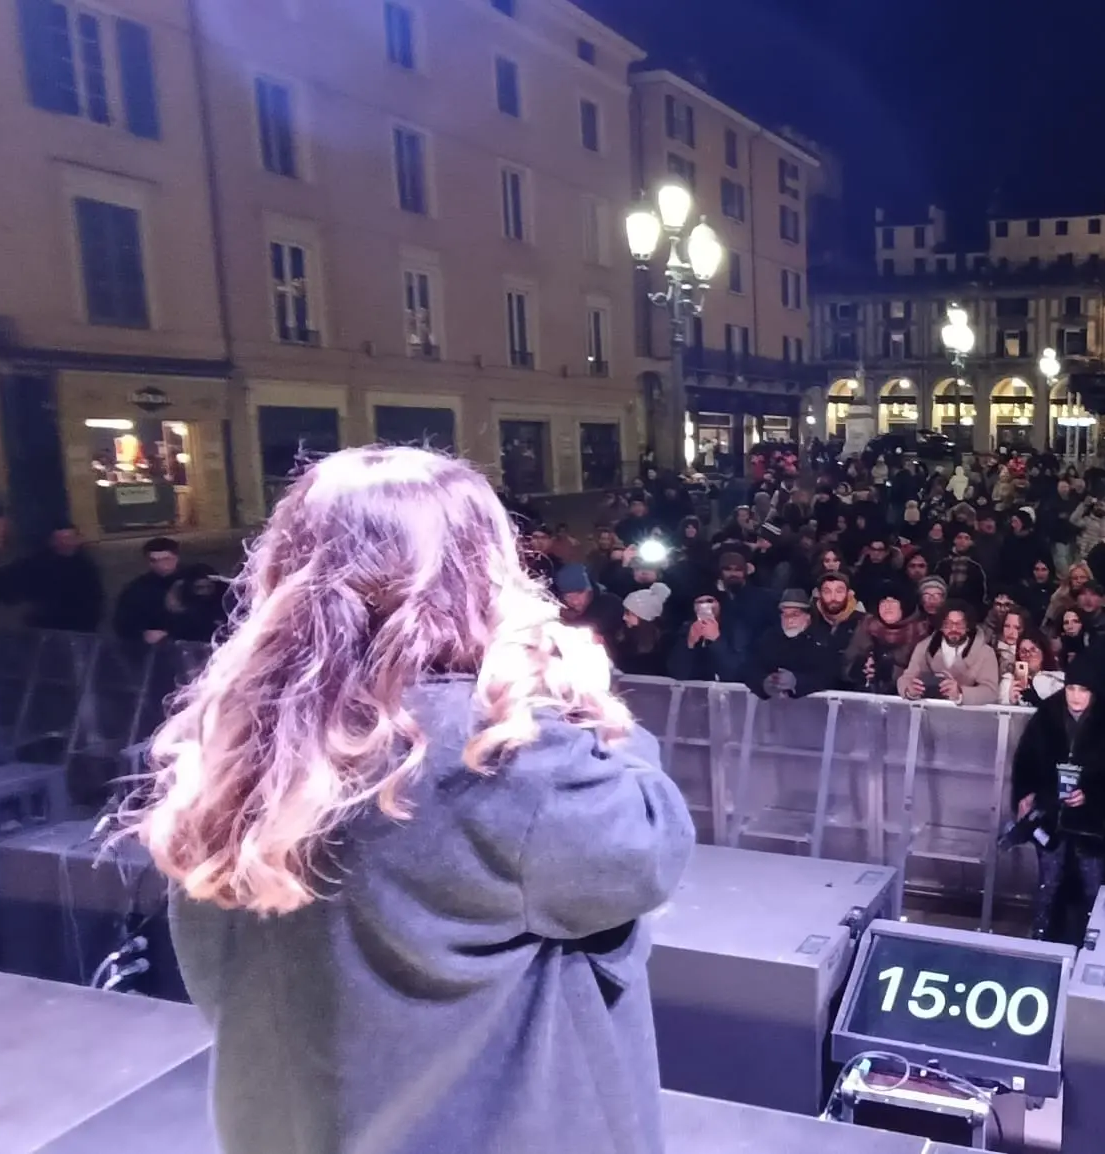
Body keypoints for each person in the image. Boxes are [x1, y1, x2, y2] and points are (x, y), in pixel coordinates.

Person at [124, 446, 694, 1154]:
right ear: (477, 569)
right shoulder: (504, 752)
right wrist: (594, 708)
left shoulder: (241, 743)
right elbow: (648, 846)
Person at [1008, 659, 1105, 944]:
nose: (1076, 696)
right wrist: (1026, 794)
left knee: (1096, 890)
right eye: (1071, 688)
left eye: (1083, 690)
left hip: (1095, 825)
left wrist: (1092, 795)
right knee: (1048, 886)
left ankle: (1101, 947)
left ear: (1094, 692)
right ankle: (1041, 946)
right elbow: (1025, 761)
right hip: (1050, 819)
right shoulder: (1046, 716)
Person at [0, 524, 105, 633]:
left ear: (77, 540)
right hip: (46, 624)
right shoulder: (39, 562)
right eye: (60, 539)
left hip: (78, 624)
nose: (64, 543)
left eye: (68, 538)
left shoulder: (85, 566)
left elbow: (95, 597)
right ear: (52, 541)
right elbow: (9, 578)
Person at [898, 603, 1002, 705]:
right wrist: (909, 690)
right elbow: (906, 678)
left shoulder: (985, 653)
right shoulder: (924, 648)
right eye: (948, 624)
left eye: (959, 624)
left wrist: (960, 693)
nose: (953, 629)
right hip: (930, 714)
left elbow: (991, 692)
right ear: (941, 626)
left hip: (968, 716)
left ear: (968, 626)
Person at [846, 593, 928, 694]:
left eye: (893, 602)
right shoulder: (867, 625)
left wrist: (891, 672)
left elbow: (923, 675)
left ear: (904, 606)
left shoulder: (919, 631)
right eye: (883, 602)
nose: (887, 607)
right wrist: (857, 669)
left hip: (905, 698)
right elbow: (846, 661)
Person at [112, 537, 184, 643]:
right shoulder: (136, 589)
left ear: (177, 558)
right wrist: (142, 634)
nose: (161, 565)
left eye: (166, 559)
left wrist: (172, 633)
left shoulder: (194, 582)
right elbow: (122, 623)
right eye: (154, 561)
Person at [668, 594, 744, 683]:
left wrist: (717, 641)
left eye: (710, 601)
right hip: (694, 691)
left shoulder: (735, 629)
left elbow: (736, 672)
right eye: (700, 602)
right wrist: (689, 644)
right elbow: (677, 673)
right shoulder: (685, 630)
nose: (705, 606)